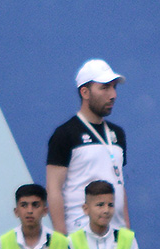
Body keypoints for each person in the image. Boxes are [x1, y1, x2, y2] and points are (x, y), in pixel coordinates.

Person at [47, 59, 129, 235]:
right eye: (104, 87)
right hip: (79, 234)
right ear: (85, 92)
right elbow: (54, 189)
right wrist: (61, 238)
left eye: (114, 87)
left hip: (115, 235)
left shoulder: (118, 134)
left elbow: (119, 184)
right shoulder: (65, 134)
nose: (113, 94)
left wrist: (126, 231)